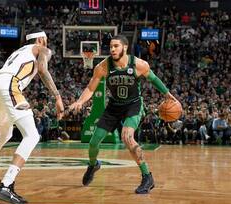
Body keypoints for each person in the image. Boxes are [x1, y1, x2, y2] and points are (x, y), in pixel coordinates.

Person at [0, 30, 64, 204]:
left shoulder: (18, 52)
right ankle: (6, 185)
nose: (47, 44)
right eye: (46, 40)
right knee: (32, 135)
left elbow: (1, 79)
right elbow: (42, 69)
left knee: (5, 135)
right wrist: (57, 96)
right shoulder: (42, 48)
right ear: (41, 39)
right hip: (10, 85)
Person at [69, 35, 177, 194]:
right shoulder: (103, 67)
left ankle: (147, 176)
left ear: (124, 48)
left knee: (127, 136)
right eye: (111, 46)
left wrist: (167, 94)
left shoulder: (139, 64)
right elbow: (91, 88)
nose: (112, 49)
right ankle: (93, 164)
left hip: (133, 105)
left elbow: (153, 79)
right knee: (93, 142)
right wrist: (80, 101)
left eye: (116, 46)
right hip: (113, 106)